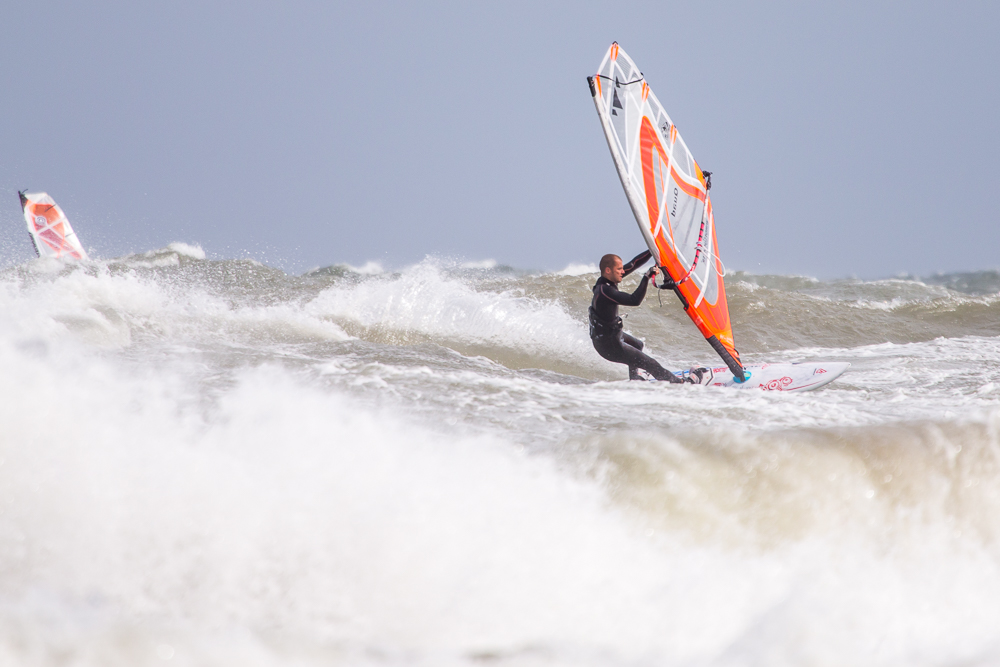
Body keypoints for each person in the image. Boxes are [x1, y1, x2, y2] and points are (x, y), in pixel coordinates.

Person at [589, 250, 709, 384]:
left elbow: (633, 264)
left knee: (637, 345)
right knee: (650, 364)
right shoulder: (605, 291)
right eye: (619, 269)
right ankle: (681, 384)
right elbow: (634, 300)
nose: (623, 271)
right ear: (608, 270)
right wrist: (646, 277)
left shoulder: (607, 279)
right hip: (609, 345)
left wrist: (653, 250)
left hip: (608, 337)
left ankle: (635, 379)